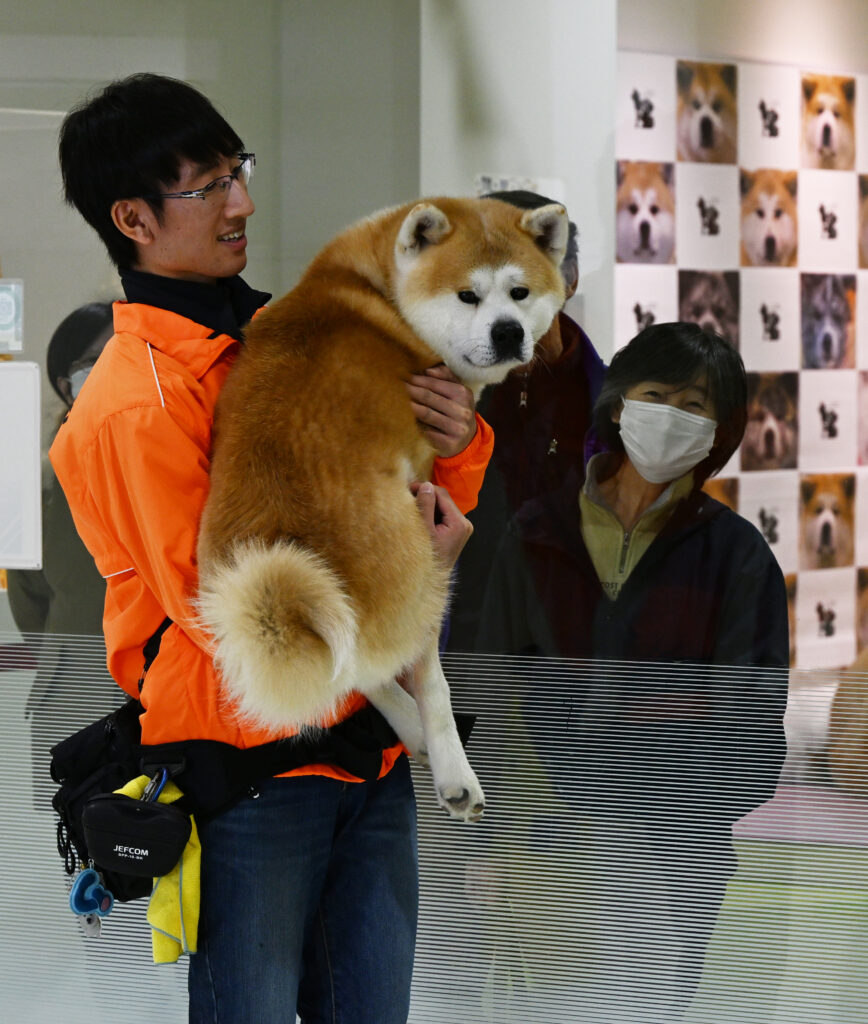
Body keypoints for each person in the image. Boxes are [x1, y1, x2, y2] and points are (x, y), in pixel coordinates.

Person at [50, 72, 493, 1024]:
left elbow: (407, 491)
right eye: (207, 186)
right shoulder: (134, 403)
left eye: (239, 170)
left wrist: (457, 445)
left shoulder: (291, 331)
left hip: (369, 754)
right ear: (132, 216)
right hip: (254, 770)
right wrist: (410, 574)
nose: (243, 201)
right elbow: (227, 610)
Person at [475, 322, 789, 1020]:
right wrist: (482, 844)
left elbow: (751, 731)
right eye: (658, 394)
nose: (675, 416)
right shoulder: (533, 534)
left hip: (675, 859)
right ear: (619, 404)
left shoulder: (737, 558)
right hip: (543, 850)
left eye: (699, 406)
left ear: (719, 432)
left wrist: (661, 826)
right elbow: (490, 699)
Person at [445, 189, 606, 653]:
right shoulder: (437, 403)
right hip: (464, 668)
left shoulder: (621, 408)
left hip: (580, 672)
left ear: (568, 277)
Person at [7, 302, 118, 809]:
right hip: (75, 690)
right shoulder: (46, 477)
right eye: (93, 359)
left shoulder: (168, 451)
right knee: (88, 863)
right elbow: (28, 595)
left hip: (162, 694)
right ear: (63, 380)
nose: (110, 366)